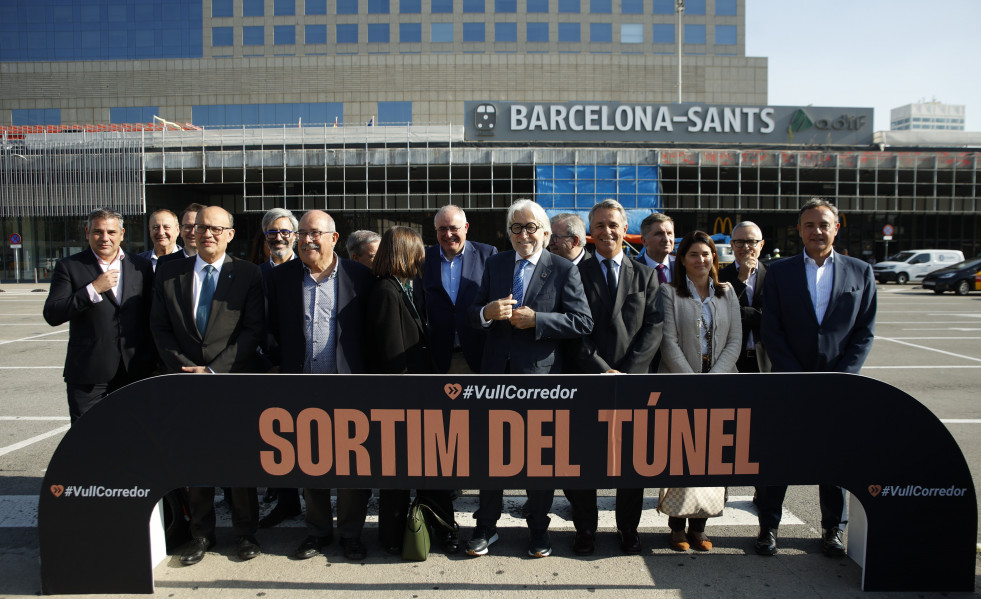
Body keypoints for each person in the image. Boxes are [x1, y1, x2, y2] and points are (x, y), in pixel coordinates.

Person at [466, 199, 593, 558]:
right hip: (495, 377)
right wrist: (487, 312)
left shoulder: (562, 269)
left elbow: (583, 321)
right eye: (516, 228)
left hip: (540, 380)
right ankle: (485, 526)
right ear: (509, 233)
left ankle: (538, 528)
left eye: (531, 227)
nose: (524, 234)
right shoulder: (496, 264)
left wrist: (538, 320)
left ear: (546, 233)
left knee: (539, 459)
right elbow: (472, 313)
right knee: (491, 456)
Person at [756, 198, 877, 558]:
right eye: (809, 225)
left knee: (833, 457)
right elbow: (771, 329)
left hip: (837, 385)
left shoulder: (860, 272)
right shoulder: (779, 272)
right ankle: (768, 527)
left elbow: (864, 332)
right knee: (778, 457)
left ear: (836, 228)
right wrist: (796, 376)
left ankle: (832, 530)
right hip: (789, 383)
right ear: (799, 230)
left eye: (824, 224)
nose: (817, 231)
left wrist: (841, 377)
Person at [149, 206, 265, 567]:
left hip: (231, 383)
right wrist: (186, 369)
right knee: (195, 461)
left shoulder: (247, 273)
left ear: (230, 234)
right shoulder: (169, 272)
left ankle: (245, 533)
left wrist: (214, 371)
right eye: (201, 228)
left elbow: (253, 330)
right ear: (191, 232)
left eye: (216, 228)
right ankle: (201, 533)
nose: (207, 234)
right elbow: (159, 328)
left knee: (238, 461)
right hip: (186, 384)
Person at [265, 210, 376, 562]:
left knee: (351, 464)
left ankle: (351, 534)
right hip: (301, 387)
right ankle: (317, 532)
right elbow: (272, 327)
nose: (307, 240)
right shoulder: (281, 277)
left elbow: (371, 331)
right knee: (310, 461)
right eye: (302, 233)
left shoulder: (360, 276)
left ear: (334, 238)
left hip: (349, 387)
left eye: (315, 233)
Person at [564, 199, 662, 556]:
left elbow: (654, 327)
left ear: (625, 229)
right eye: (600, 225)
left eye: (613, 224)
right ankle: (585, 529)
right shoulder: (574, 274)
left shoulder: (646, 275)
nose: (607, 231)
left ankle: (628, 529)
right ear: (591, 232)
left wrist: (628, 373)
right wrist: (603, 370)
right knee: (582, 459)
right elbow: (572, 330)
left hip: (632, 383)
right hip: (588, 379)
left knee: (632, 462)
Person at [366, 226, 460, 556]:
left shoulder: (402, 287)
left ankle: (435, 527)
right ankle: (395, 536)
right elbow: (392, 354)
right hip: (405, 400)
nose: (423, 256)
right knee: (402, 473)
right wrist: (412, 400)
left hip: (416, 397)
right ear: (404, 252)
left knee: (426, 471)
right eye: (418, 249)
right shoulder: (386, 291)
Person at [655, 230, 741, 552]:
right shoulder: (668, 292)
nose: (700, 260)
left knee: (713, 456)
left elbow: (735, 339)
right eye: (693, 254)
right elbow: (668, 342)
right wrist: (693, 382)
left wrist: (713, 379)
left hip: (719, 386)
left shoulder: (727, 292)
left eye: (706, 254)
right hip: (680, 385)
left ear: (714, 258)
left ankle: (700, 527)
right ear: (682, 259)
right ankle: (677, 526)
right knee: (681, 455)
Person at [42, 208, 156, 423]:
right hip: (89, 374)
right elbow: (53, 314)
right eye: (98, 232)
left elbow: (151, 314)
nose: (105, 238)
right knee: (88, 435)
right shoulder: (69, 267)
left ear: (122, 234)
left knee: (133, 433)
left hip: (134, 371)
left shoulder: (140, 266)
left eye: (111, 232)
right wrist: (93, 289)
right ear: (87, 233)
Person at [255, 207, 302, 527]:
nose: (279, 237)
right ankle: (287, 502)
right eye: (272, 232)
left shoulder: (307, 270)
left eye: (285, 232)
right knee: (279, 439)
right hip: (270, 368)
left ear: (295, 236)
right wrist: (268, 363)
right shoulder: (253, 274)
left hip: (305, 367)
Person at [422, 205, 497, 375]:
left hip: (481, 354)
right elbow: (420, 305)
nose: (448, 234)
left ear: (466, 227)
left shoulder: (488, 254)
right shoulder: (424, 258)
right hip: (439, 358)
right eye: (442, 229)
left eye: (453, 228)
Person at [718, 221, 771, 374]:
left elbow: (775, 316)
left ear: (761, 245)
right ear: (732, 245)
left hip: (766, 361)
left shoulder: (773, 276)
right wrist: (741, 278)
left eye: (752, 242)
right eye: (740, 242)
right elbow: (720, 311)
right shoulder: (719, 277)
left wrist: (739, 312)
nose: (746, 247)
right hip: (731, 361)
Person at [157, 203, 205, 268]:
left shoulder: (217, 263)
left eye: (199, 227)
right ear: (180, 230)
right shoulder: (165, 263)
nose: (192, 232)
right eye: (188, 227)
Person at [637, 212, 675, 283]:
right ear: (644, 241)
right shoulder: (632, 270)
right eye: (659, 234)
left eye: (669, 233)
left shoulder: (683, 266)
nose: (666, 239)